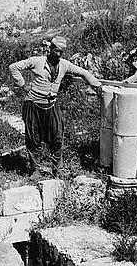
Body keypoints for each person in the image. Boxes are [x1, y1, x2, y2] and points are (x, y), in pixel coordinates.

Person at [7, 36, 106, 173]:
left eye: (61, 52)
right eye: (56, 51)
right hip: (33, 104)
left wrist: (98, 86)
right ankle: (34, 169)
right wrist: (23, 85)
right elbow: (13, 67)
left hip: (51, 105)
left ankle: (57, 169)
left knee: (57, 136)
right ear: (50, 48)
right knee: (33, 138)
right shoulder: (37, 61)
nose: (58, 54)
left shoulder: (64, 65)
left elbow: (83, 73)